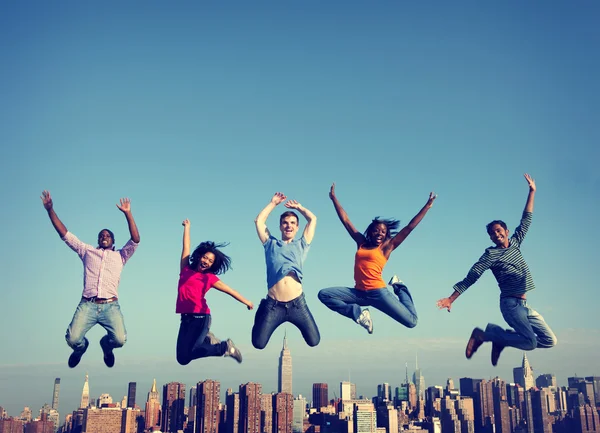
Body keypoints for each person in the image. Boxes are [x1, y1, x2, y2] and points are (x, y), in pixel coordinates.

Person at [436, 174, 557, 366]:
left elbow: (526, 219)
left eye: (499, 231)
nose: (496, 234)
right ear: (491, 238)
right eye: (492, 233)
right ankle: (487, 335)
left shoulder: (516, 242)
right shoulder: (490, 255)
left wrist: (532, 191)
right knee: (531, 343)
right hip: (511, 305)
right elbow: (472, 276)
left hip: (525, 306)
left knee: (550, 341)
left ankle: (500, 336)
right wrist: (451, 298)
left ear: (507, 232)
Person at [318, 183, 436, 334]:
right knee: (324, 295)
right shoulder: (361, 242)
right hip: (359, 294)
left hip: (378, 293)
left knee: (412, 321)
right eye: (376, 231)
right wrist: (334, 198)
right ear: (370, 232)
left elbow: (409, 227)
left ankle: (400, 287)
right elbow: (346, 221)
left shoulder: (387, 248)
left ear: (386, 235)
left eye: (383, 231)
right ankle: (359, 314)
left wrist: (427, 206)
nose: (380, 233)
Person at [41, 190, 140, 368]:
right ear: (98, 240)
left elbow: (135, 240)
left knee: (119, 339)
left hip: (110, 305)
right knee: (72, 339)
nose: (104, 237)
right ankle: (81, 349)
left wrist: (128, 213)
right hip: (87, 304)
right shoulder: (87, 251)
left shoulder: (121, 256)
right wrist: (50, 210)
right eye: (101, 235)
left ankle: (106, 347)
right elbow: (65, 234)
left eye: (108, 235)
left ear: (113, 241)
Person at [176, 219, 253, 365]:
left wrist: (246, 302)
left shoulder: (209, 278)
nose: (206, 261)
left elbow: (230, 290)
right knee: (182, 359)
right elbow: (186, 246)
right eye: (205, 257)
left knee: (193, 350)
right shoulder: (185, 269)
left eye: (210, 261)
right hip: (185, 318)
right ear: (199, 256)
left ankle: (225, 348)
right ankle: (209, 338)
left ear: (212, 264)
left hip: (201, 316)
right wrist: (187, 228)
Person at [252, 192, 320, 349]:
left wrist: (300, 208)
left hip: (297, 305)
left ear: (297, 227)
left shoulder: (302, 245)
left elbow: (313, 219)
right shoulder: (271, 244)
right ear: (280, 226)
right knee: (258, 343)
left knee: (314, 341)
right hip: (273, 305)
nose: (288, 225)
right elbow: (259, 221)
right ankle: (261, 311)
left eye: (292, 223)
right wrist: (273, 203)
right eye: (285, 223)